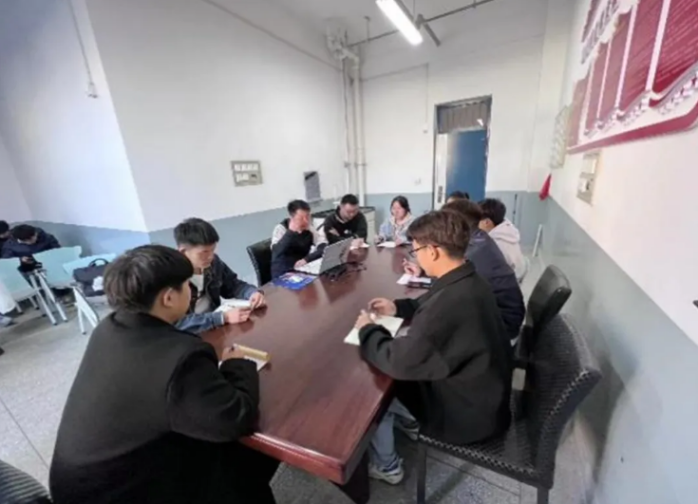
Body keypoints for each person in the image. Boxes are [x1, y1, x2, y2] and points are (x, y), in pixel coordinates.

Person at [50, 245, 278, 504]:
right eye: (187, 285)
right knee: (241, 458)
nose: (191, 290)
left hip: (80, 487)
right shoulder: (182, 355)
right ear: (168, 298)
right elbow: (235, 419)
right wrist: (236, 364)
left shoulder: (109, 328)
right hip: (131, 491)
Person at [354, 210, 513, 484]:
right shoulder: (468, 279)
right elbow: (432, 300)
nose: (416, 256)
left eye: (416, 250)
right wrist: (397, 307)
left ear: (433, 251)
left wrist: (367, 330)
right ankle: (408, 420)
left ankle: (387, 466)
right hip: (483, 396)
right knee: (394, 378)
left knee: (375, 389)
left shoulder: (451, 304)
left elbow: (399, 362)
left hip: (467, 417)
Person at [404, 199, 525, 341]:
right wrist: (424, 270)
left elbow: (449, 285)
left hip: (502, 325)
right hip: (498, 315)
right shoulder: (479, 238)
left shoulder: (473, 251)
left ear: (456, 224)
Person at [173, 218, 265, 334]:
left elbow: (233, 285)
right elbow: (177, 323)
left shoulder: (213, 263)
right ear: (183, 252)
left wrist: (252, 293)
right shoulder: (171, 276)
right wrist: (222, 317)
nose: (210, 257)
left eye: (213, 250)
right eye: (204, 252)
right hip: (191, 334)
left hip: (215, 327)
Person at [271, 199, 327, 278]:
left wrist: (307, 259)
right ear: (292, 218)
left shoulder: (309, 229)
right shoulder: (281, 229)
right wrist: (290, 232)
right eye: (301, 218)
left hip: (301, 269)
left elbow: (323, 246)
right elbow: (276, 251)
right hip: (283, 273)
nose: (306, 221)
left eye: (307, 217)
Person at [479, 198, 527, 281]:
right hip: (516, 273)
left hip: (508, 282)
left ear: (486, 222)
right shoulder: (506, 230)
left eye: (477, 220)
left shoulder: (496, 245)